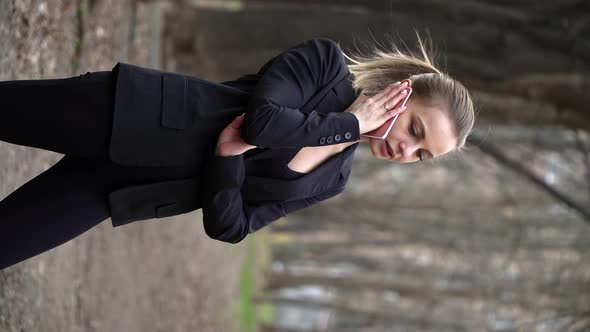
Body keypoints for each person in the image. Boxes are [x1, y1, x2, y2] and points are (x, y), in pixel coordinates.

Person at [0, 37, 474, 270]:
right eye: (415, 129)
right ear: (401, 92)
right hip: (121, 114)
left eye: (421, 155)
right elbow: (264, 120)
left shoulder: (333, 180)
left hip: (119, 190)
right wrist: (351, 123)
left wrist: (229, 159)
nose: (405, 149)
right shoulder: (323, 64)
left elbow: (231, 226)